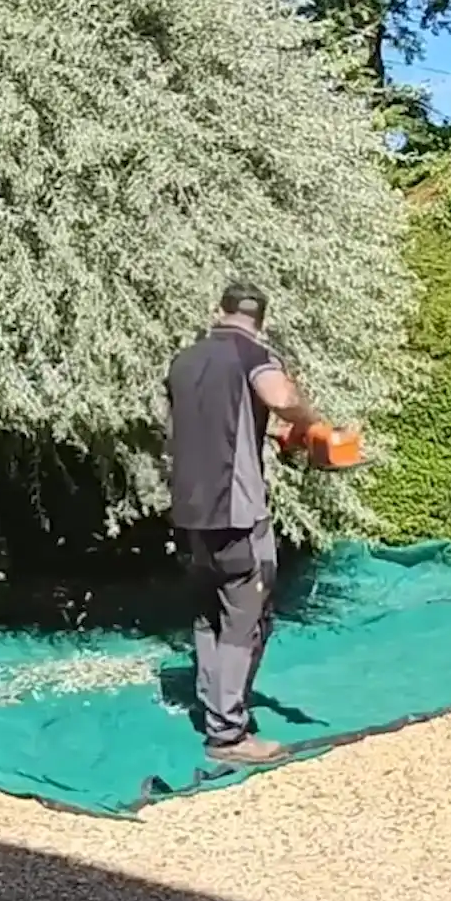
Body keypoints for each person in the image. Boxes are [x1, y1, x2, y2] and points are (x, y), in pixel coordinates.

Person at [164, 281, 319, 766]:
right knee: (243, 618)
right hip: (236, 511)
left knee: (209, 611)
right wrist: (309, 424)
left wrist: (264, 433)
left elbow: (208, 423)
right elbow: (279, 394)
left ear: (220, 311)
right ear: (260, 320)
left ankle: (214, 711)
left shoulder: (184, 360)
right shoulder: (252, 353)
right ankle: (228, 735)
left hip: (189, 509)